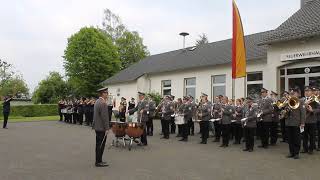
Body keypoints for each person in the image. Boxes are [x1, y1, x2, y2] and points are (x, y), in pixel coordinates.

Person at [285, 88, 305, 159]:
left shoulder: (301, 101)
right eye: (291, 93)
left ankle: (296, 153)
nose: (292, 94)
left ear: (297, 94)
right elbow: (286, 113)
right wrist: (286, 110)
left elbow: (303, 113)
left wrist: (302, 122)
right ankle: (291, 152)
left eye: (294, 93)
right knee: (290, 139)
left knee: (297, 139)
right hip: (289, 122)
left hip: (297, 122)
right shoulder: (288, 101)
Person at [92, 87, 110, 167]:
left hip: (97, 126)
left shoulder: (97, 101)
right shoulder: (103, 103)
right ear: (103, 93)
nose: (107, 94)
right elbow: (105, 117)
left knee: (98, 144)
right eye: (106, 93)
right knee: (101, 145)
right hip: (101, 128)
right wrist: (107, 128)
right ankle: (98, 162)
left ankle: (98, 160)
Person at [301, 86, 318, 154]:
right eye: (305, 91)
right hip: (304, 121)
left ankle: (311, 149)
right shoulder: (302, 99)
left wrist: (312, 110)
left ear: (311, 92)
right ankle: (305, 148)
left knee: (312, 136)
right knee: (304, 136)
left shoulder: (315, 99)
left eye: (308, 91)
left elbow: (318, 109)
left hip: (312, 121)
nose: (307, 92)